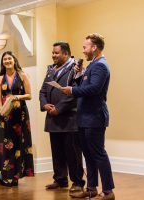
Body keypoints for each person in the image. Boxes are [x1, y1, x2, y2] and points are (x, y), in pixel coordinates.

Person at [61, 34, 115, 200]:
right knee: (88, 154)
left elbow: (94, 89)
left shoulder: (100, 66)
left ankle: (108, 192)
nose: (83, 51)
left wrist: (72, 90)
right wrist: (78, 77)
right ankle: (91, 188)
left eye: (85, 47)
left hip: (94, 117)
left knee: (98, 154)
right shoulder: (92, 66)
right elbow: (83, 87)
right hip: (84, 117)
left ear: (94, 48)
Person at [39, 42, 85, 195]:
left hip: (69, 117)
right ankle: (60, 179)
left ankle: (77, 182)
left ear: (65, 54)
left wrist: (58, 109)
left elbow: (75, 92)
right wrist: (45, 105)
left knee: (72, 152)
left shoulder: (75, 69)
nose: (53, 55)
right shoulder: (51, 69)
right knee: (57, 151)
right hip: (53, 118)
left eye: (56, 53)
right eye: (52, 53)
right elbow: (43, 91)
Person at [0, 51, 34, 187]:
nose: (7, 61)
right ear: (2, 63)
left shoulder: (23, 75)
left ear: (14, 60)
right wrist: (2, 110)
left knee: (19, 145)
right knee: (4, 145)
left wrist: (16, 97)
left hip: (20, 115)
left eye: (9, 58)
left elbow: (29, 95)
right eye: (5, 59)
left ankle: (16, 176)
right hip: (5, 116)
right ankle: (4, 176)